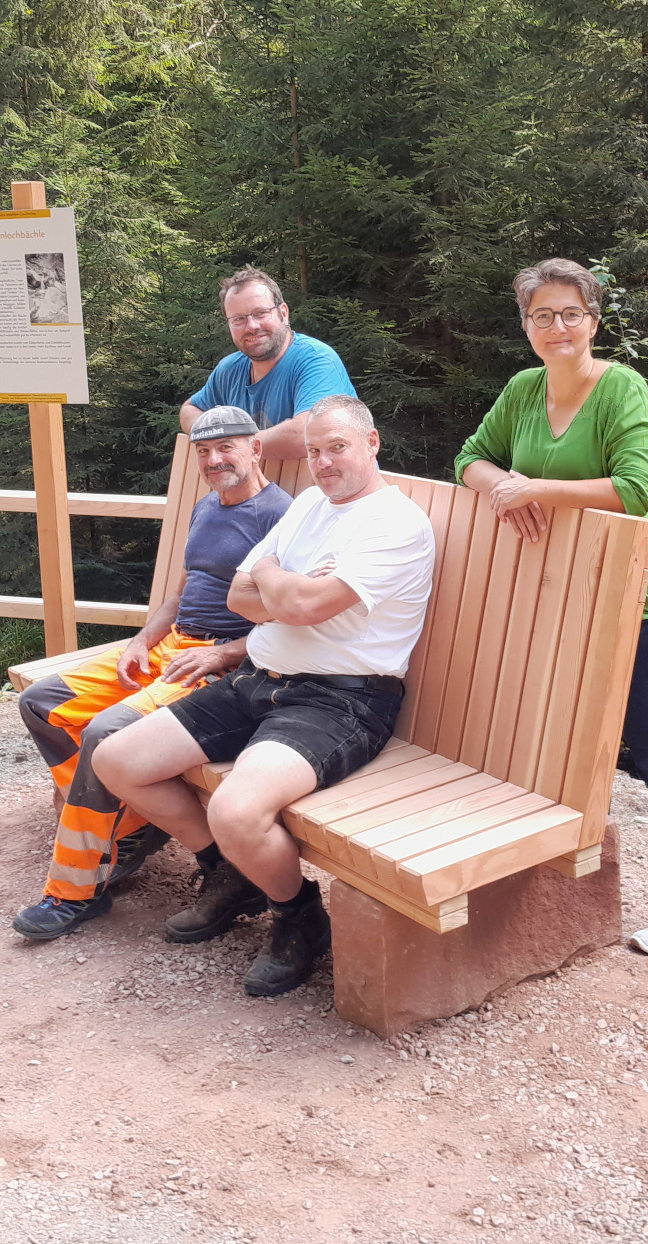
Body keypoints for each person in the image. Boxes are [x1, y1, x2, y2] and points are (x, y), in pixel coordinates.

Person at [93, 396, 435, 997]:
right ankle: (230, 874)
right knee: (117, 759)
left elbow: (297, 603)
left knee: (235, 809)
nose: (324, 463)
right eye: (314, 451)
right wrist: (287, 588)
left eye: (338, 447)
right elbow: (238, 598)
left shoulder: (397, 524)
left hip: (340, 701)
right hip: (258, 679)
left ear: (372, 443)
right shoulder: (308, 503)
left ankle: (299, 915)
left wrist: (277, 579)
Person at [455, 258, 648, 959]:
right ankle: (547, 879)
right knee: (553, 733)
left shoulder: (621, 387)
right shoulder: (523, 388)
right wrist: (504, 481)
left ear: (594, 321)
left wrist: (536, 488)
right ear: (526, 327)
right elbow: (469, 460)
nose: (558, 326)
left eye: (571, 313)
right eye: (543, 315)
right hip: (561, 595)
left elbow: (636, 492)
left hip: (636, 600)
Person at [10, 406, 293, 941]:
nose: (214, 459)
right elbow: (184, 593)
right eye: (204, 452)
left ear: (256, 449)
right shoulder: (207, 508)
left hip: (220, 664)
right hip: (172, 646)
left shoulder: (282, 516)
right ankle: (129, 820)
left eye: (226, 447)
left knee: (103, 733)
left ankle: (75, 892)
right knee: (42, 703)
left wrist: (223, 654)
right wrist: (142, 640)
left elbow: (291, 619)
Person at [179, 266, 358, 461]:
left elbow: (306, 434)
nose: (252, 326)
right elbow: (189, 410)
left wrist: (234, 447)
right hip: (263, 490)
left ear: (283, 313)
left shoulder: (316, 360)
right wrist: (217, 435)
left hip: (329, 490)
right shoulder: (229, 369)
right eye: (239, 319)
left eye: (261, 313)